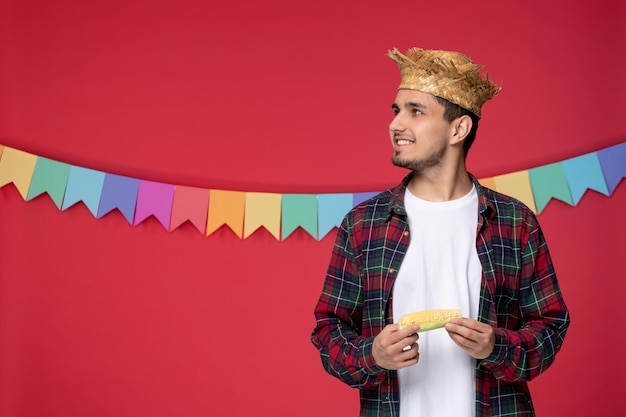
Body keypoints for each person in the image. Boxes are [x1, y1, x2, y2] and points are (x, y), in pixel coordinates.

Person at [310, 47, 570, 417]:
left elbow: (550, 326)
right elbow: (328, 329)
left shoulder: (515, 222)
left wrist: (497, 346)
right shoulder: (363, 224)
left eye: (415, 112)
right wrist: (373, 355)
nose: (396, 124)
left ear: (458, 128)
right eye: (397, 111)